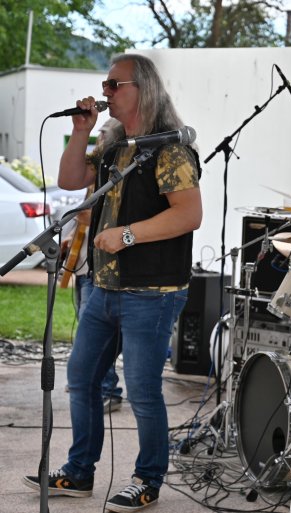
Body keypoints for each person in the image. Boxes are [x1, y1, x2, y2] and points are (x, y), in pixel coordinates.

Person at [23, 53, 202, 512]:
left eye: (113, 84)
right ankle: (80, 472)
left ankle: (148, 479)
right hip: (104, 287)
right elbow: (69, 179)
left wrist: (127, 234)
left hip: (152, 292)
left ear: (143, 90)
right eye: (104, 84)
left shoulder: (170, 150)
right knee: (82, 378)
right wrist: (81, 131)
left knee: (142, 390)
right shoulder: (114, 146)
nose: (104, 92)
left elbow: (188, 214)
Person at [61, 119, 125, 413]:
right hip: (84, 267)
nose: (98, 142)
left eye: (102, 136)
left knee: (96, 334)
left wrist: (89, 218)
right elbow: (84, 218)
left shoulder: (117, 174)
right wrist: (72, 238)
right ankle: (89, 380)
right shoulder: (97, 174)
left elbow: (104, 220)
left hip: (100, 271)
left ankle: (108, 389)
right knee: (85, 327)